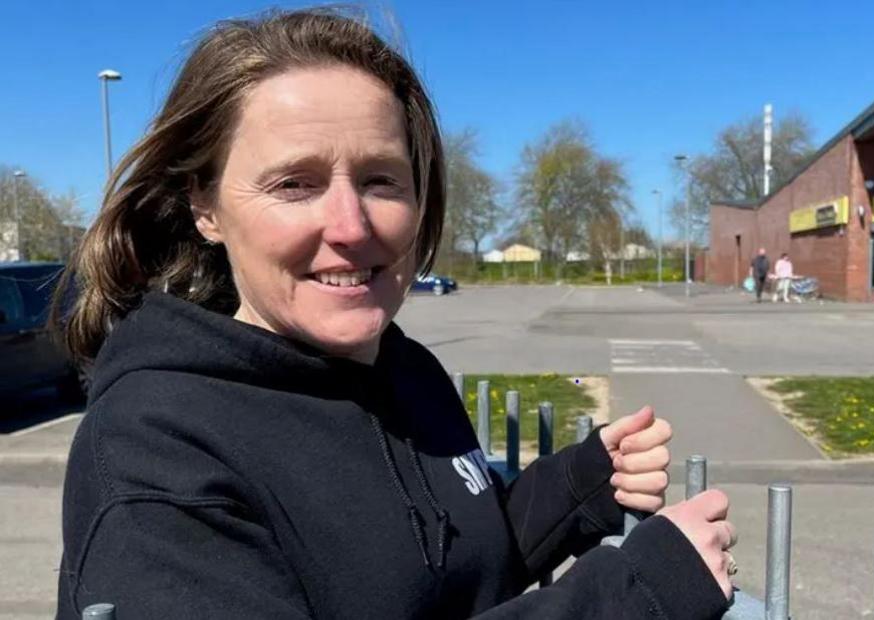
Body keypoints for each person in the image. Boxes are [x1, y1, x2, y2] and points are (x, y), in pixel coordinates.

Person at [52, 8, 737, 619]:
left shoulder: (406, 371)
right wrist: (637, 593)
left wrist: (578, 484)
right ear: (205, 207)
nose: (351, 225)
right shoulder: (154, 451)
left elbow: (445, 570)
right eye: (296, 183)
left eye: (381, 179)